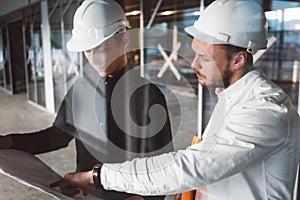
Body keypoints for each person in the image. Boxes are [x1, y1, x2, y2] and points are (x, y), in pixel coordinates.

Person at [52, 0, 300, 199]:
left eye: (204, 57)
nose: (193, 64)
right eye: (194, 53)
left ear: (238, 60)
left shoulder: (264, 110)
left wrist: (97, 177)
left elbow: (188, 167)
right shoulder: (230, 97)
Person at [0, 0, 173, 199]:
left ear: (124, 39)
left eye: (100, 48)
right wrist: (10, 142)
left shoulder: (147, 95)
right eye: (87, 50)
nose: (93, 58)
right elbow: (58, 135)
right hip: (85, 193)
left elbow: (162, 166)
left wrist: (145, 199)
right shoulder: (80, 90)